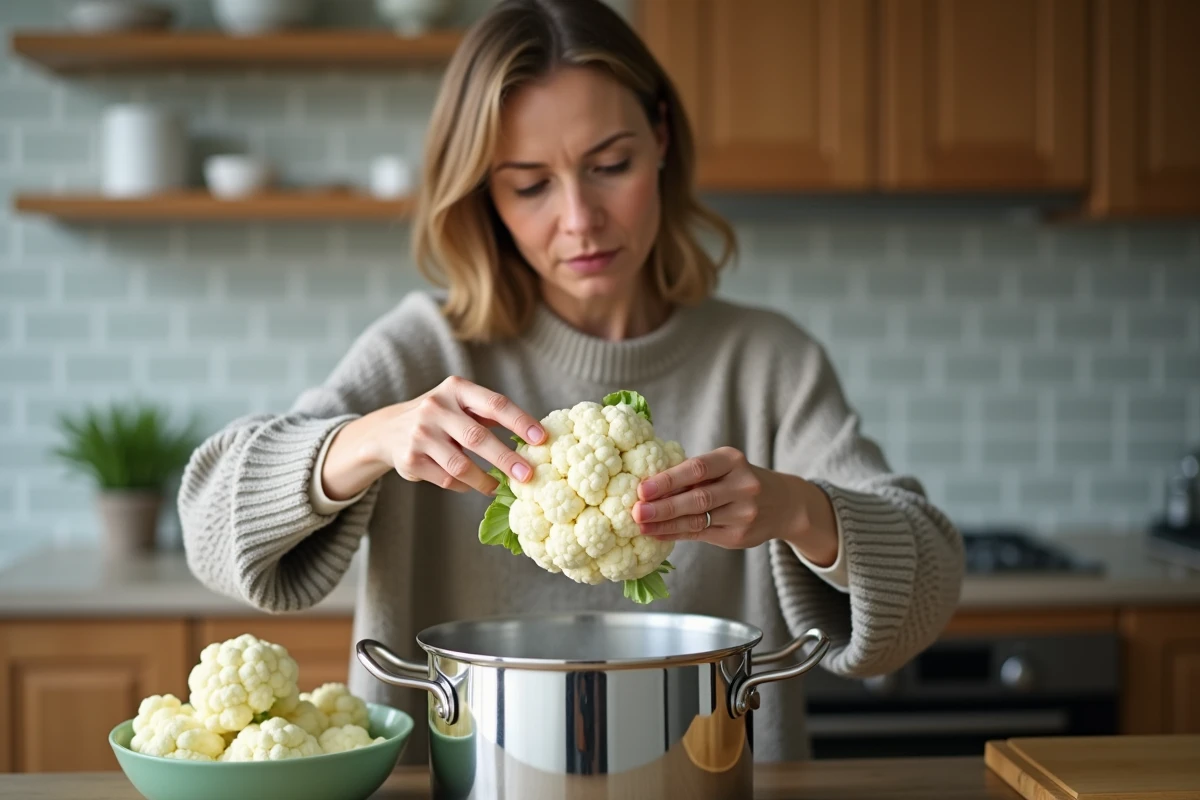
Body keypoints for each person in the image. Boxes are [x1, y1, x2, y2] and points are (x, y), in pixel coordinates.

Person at [178, 0, 964, 765]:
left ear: (660, 140)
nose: (580, 219)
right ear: (484, 192)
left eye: (610, 165)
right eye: (529, 185)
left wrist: (797, 507)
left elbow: (929, 581)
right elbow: (211, 528)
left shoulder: (767, 362)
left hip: (703, 778)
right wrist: (365, 439)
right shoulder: (426, 349)